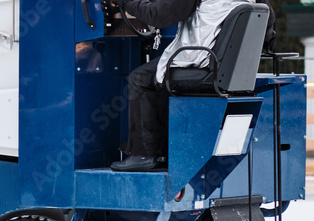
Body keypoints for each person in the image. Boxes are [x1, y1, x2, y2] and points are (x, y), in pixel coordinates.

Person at [111, 0, 275, 172]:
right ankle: (163, 152)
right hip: (228, 63)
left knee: (140, 78)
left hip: (201, 59)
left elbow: (159, 16)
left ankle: (142, 154)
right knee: (156, 76)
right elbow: (268, 20)